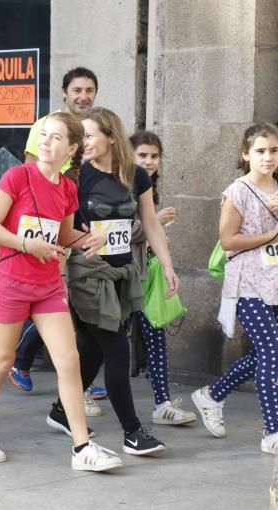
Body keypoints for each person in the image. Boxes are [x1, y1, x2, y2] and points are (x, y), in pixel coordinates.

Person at [0, 112, 121, 471]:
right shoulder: (17, 176)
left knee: (69, 361)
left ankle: (82, 447)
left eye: (55, 138)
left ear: (72, 148)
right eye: (44, 135)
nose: (47, 142)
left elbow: (63, 234)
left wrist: (88, 239)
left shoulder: (67, 188)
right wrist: (25, 244)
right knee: (2, 360)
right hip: (12, 280)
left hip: (49, 285)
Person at [47, 107, 176, 456]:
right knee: (118, 350)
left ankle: (61, 411)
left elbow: (150, 223)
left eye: (89, 136)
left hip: (123, 274)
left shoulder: (135, 176)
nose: (83, 143)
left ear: (110, 137)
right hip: (88, 275)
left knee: (91, 349)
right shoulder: (76, 177)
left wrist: (167, 266)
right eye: (81, 136)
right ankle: (132, 431)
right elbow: (61, 229)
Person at [10, 67, 101, 394]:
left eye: (89, 90)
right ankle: (20, 358)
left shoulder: (93, 129)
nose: (83, 96)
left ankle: (80, 377)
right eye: (77, 89)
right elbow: (29, 174)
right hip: (50, 224)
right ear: (64, 92)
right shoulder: (45, 126)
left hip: (80, 218)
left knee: (73, 301)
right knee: (58, 298)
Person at [192, 123, 278, 455]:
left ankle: (212, 396)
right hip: (247, 285)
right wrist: (270, 235)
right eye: (260, 151)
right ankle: (272, 431)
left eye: (273, 151)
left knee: (263, 355)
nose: (268, 158)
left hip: (274, 284)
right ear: (246, 154)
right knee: (271, 352)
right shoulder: (238, 191)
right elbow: (228, 240)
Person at [127, 130, 196, 425]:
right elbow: (122, 233)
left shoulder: (150, 186)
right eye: (142, 155)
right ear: (130, 156)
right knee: (105, 341)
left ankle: (162, 404)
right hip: (120, 275)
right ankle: (81, 396)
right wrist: (155, 224)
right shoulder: (122, 185)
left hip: (147, 274)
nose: (149, 161)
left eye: (154, 156)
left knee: (156, 336)